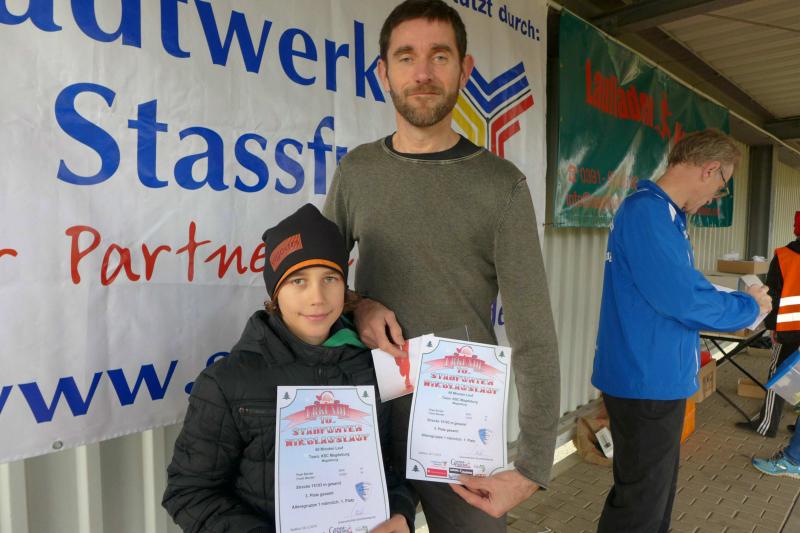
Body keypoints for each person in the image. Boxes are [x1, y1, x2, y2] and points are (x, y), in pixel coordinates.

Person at [323, 1, 560, 531]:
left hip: (457, 427)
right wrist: (360, 307)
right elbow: (314, 290)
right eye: (406, 57)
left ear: (465, 69)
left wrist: (532, 465)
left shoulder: (501, 186)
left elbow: (533, 332)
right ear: (384, 72)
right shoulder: (358, 171)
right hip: (366, 417)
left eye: (440, 56)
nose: (423, 73)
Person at [162, 204, 415, 533]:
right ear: (275, 292)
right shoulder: (227, 382)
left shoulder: (371, 367)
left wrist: (401, 513)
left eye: (330, 278)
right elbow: (189, 493)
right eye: (298, 280)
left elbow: (394, 467)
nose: (317, 298)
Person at [591, 129, 772, 533]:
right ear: (710, 170)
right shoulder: (648, 213)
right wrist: (749, 308)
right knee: (641, 505)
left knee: (651, 496)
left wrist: (737, 304)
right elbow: (683, 299)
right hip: (646, 380)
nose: (714, 198)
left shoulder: (665, 216)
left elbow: (683, 287)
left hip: (652, 377)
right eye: (721, 187)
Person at [739, 211, 800, 437]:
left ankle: (766, 425)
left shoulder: (784, 256)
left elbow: (773, 295)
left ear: (796, 229)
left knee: (779, 374)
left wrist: (772, 326)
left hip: (789, 329)